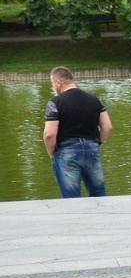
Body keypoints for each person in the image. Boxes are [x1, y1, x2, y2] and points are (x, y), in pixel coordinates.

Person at [43, 67, 111, 198]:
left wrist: (51, 153)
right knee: (99, 195)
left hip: (66, 152)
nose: (54, 88)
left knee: (71, 199)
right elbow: (107, 127)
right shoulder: (95, 99)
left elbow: (49, 134)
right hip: (92, 149)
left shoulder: (55, 102)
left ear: (58, 83)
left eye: (52, 84)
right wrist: (97, 143)